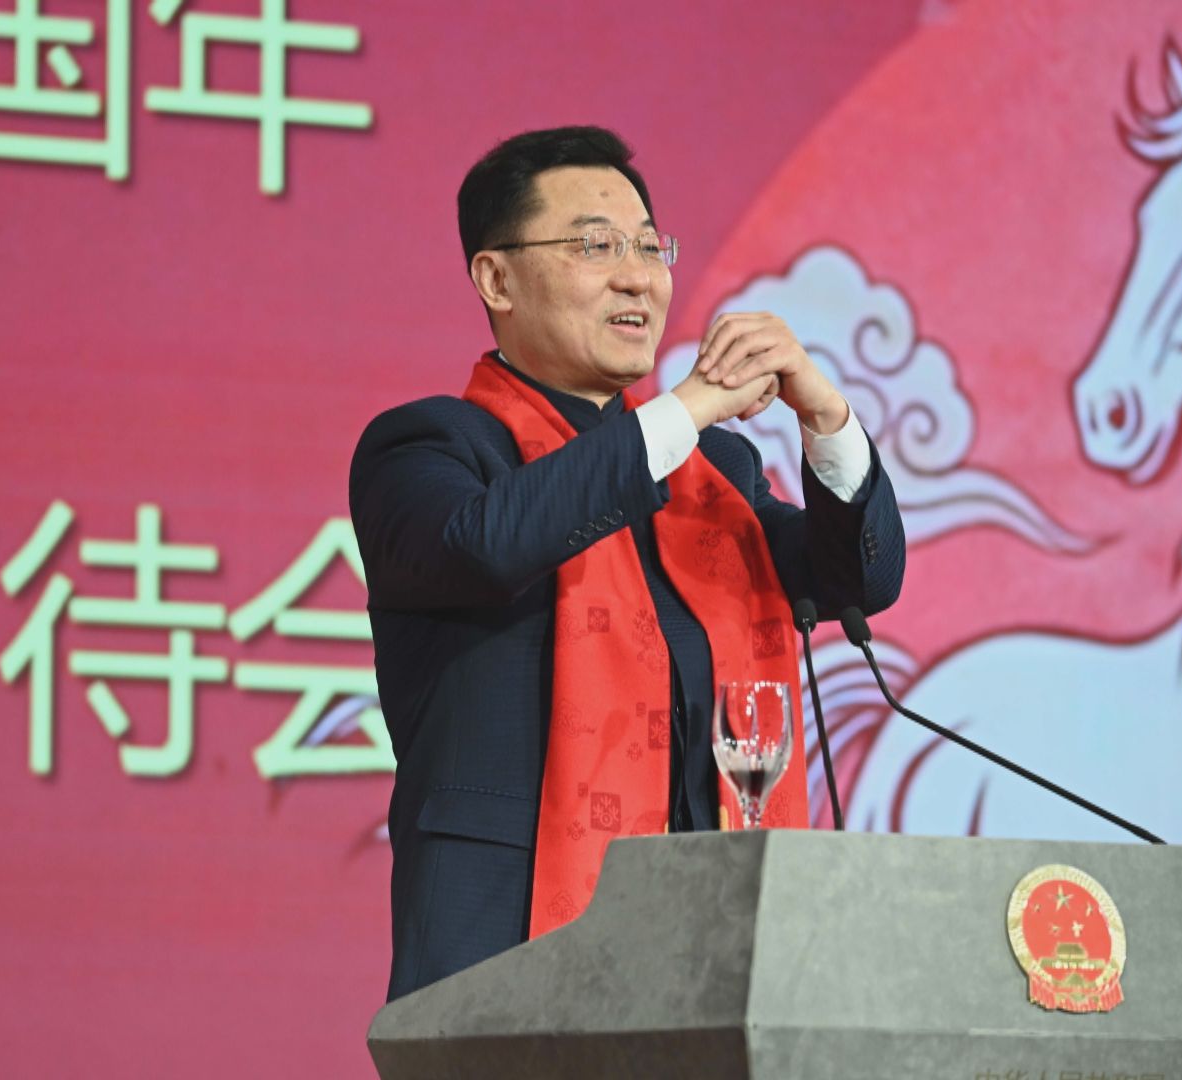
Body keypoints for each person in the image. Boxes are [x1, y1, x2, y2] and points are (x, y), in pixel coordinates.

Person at [351, 126, 905, 1001]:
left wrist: (826, 419)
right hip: (502, 951)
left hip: (708, 954)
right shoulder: (426, 448)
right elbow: (486, 545)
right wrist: (687, 408)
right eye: (595, 247)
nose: (637, 277)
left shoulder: (715, 475)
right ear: (496, 280)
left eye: (649, 247)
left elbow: (856, 580)